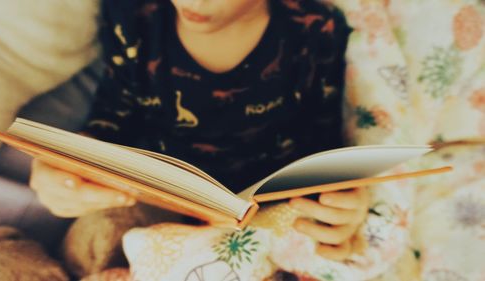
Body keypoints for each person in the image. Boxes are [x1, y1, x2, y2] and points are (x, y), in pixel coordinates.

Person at [30, 0, 369, 261]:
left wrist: (341, 206)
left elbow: (322, 145)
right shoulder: (133, 14)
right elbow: (112, 113)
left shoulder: (313, 30)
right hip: (154, 197)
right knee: (98, 240)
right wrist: (71, 166)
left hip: (260, 214)